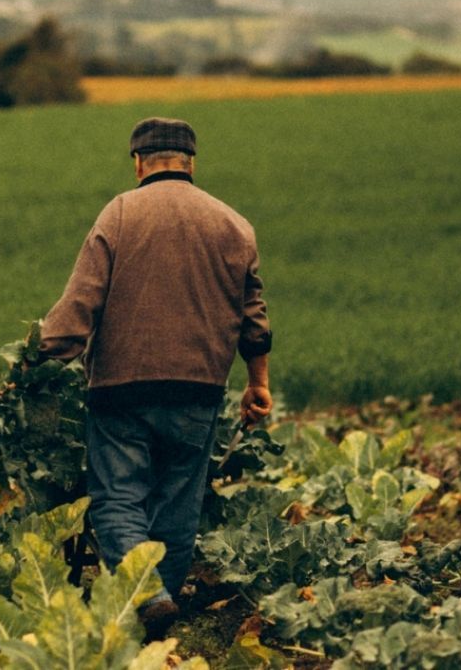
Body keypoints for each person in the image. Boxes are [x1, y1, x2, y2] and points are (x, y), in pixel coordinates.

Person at [38, 116, 272, 634]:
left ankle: (147, 595)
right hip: (199, 388)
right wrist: (259, 383)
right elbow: (253, 318)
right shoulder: (233, 223)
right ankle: (157, 610)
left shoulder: (120, 213)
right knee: (178, 500)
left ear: (138, 162)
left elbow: (80, 303)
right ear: (191, 163)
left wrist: (38, 357)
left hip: (121, 389)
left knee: (118, 497)